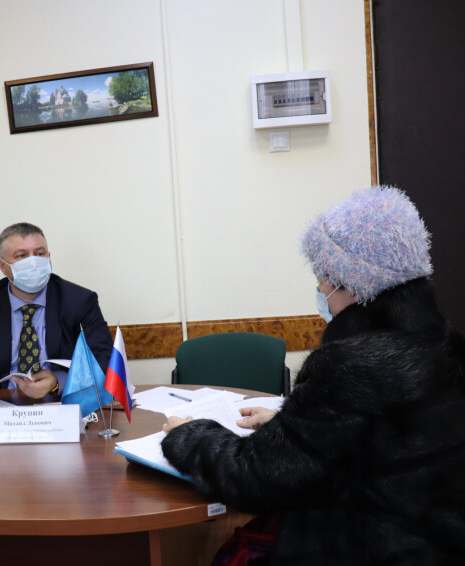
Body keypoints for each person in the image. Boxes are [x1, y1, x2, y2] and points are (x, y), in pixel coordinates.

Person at [161, 186, 465, 564]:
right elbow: (385, 443)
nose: (321, 287)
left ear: (353, 282)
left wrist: (188, 436)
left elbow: (253, 477)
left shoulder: (348, 364)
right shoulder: (444, 340)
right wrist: (291, 426)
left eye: (324, 275)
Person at [0, 222, 113, 399]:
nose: (33, 263)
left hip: (62, 402)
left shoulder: (79, 301)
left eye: (40, 254)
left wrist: (57, 382)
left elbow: (104, 361)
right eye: (21, 256)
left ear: (49, 257)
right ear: (3, 266)